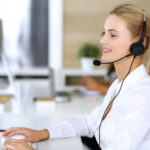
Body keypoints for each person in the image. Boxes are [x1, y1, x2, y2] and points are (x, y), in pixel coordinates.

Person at [3, 3, 150, 150]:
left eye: (113, 34)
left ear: (139, 43)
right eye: (104, 33)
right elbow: (89, 123)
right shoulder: (119, 85)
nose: (103, 40)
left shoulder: (143, 95)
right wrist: (43, 133)